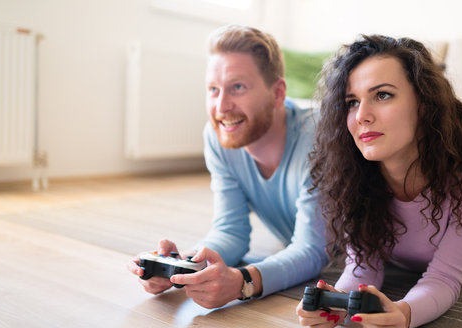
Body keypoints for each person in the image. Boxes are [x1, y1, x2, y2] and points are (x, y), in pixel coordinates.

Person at [296, 35, 462, 328]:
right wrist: (338, 304)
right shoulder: (354, 172)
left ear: (424, 104)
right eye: (352, 102)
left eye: (383, 95)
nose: (362, 116)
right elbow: (362, 269)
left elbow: (444, 278)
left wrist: (403, 313)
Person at [127, 25, 327, 309]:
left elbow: (314, 251)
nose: (221, 106)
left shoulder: (319, 135)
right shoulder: (217, 136)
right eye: (213, 89)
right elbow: (231, 230)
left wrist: (243, 282)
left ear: (278, 92)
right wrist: (185, 266)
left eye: (238, 87)